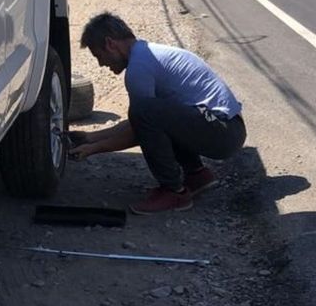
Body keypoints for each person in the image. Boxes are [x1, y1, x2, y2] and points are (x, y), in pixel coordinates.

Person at [71, 12, 246, 215]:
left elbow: (140, 125)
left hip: (223, 132)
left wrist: (94, 149)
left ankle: (174, 192)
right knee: (152, 113)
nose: (101, 64)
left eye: (98, 56)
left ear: (110, 44)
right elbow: (143, 121)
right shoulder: (147, 54)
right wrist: (89, 137)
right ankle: (197, 175)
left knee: (146, 112)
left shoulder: (138, 68)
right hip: (228, 127)